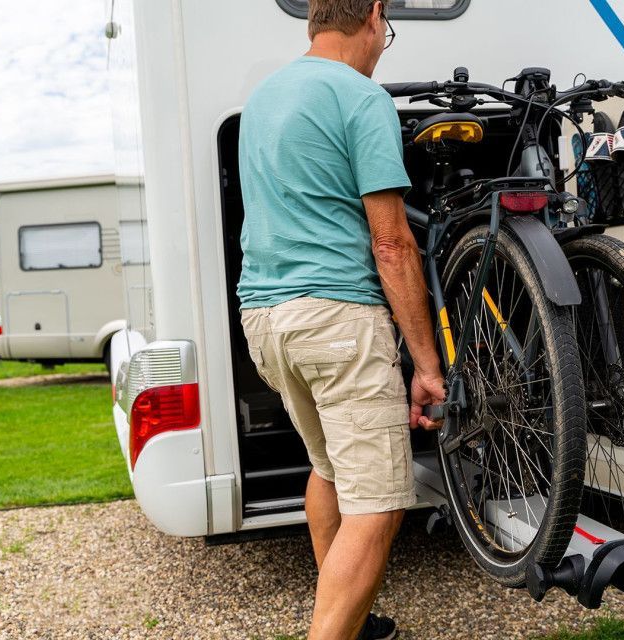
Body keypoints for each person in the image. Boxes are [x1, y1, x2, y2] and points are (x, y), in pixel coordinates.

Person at [236, 1, 446, 638]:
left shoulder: (263, 99)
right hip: (336, 322)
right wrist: (427, 364)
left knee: (328, 471)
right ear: (375, 15)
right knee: (379, 508)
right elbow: (390, 244)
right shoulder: (361, 98)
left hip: (266, 321)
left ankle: (350, 624)